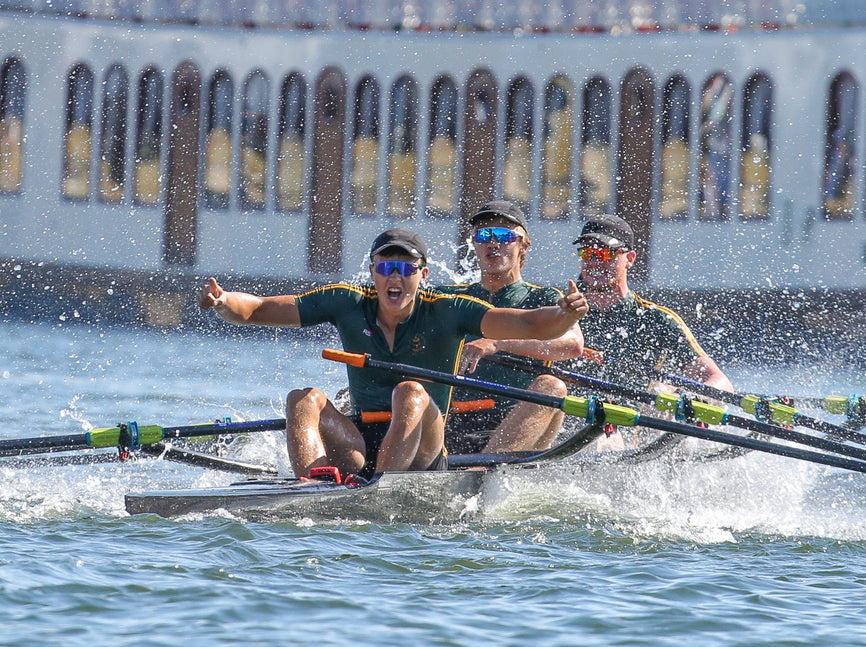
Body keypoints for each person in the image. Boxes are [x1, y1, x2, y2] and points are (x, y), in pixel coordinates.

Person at [198, 227, 588, 479]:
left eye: (406, 267)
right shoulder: (346, 302)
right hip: (359, 444)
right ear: (372, 272)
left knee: (410, 391)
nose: (395, 277)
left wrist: (564, 313)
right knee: (303, 399)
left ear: (423, 275)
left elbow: (530, 325)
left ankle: (380, 491)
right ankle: (311, 488)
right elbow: (259, 309)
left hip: (426, 446)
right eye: (386, 267)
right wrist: (223, 301)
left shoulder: (448, 310)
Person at [435, 200, 584, 454]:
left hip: (514, 424)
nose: (493, 243)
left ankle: (485, 469)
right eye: (484, 235)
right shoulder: (447, 298)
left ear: (523, 246)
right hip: (448, 423)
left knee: (552, 387)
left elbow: (572, 345)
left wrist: (496, 343)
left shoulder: (544, 299)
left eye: (504, 236)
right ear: (475, 245)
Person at [569, 214, 733, 394]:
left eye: (605, 253)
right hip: (565, 415)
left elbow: (719, 381)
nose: (594, 262)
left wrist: (694, 398)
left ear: (630, 258)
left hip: (631, 417)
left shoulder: (656, 320)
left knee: (665, 393)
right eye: (587, 253)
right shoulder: (561, 313)